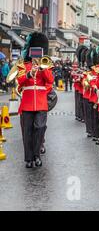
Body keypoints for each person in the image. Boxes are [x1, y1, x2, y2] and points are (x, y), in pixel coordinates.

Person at [17, 32, 54, 168]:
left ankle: (37, 155)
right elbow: (19, 80)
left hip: (40, 102)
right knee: (27, 131)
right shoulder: (23, 66)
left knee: (40, 128)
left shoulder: (46, 66)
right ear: (31, 52)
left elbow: (50, 80)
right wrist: (29, 73)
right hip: (27, 103)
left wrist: (42, 68)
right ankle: (29, 158)